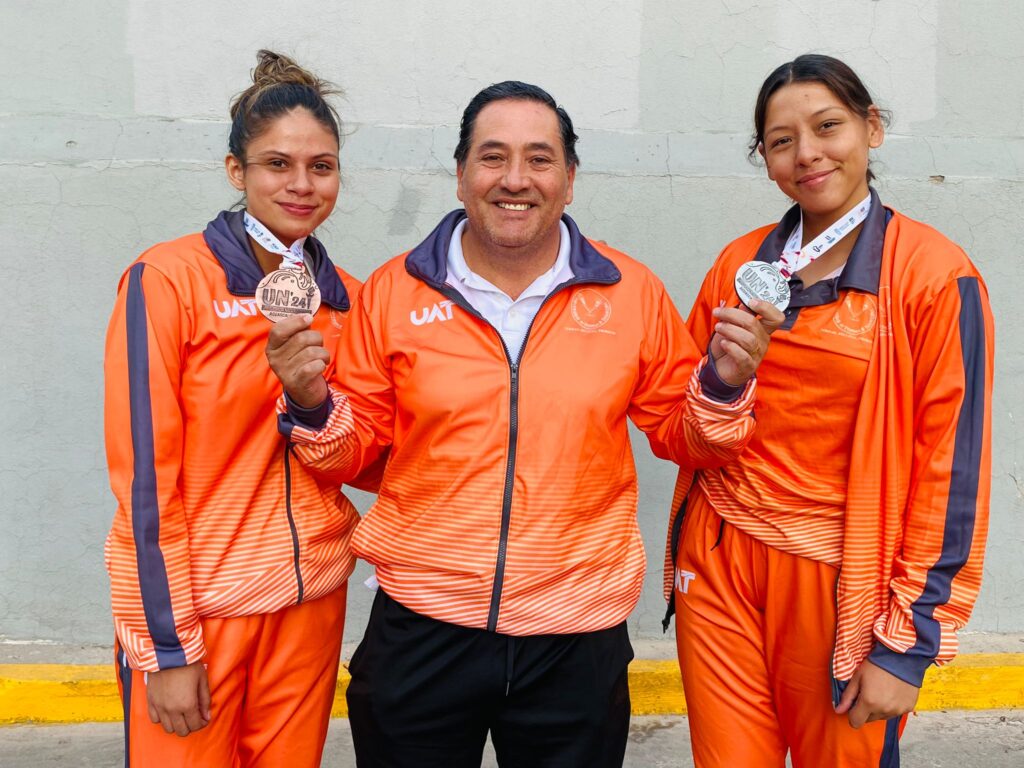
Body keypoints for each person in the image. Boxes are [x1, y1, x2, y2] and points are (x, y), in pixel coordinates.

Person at [267, 80, 783, 767]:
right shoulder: (393, 292)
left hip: (576, 640)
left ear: (570, 181)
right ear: (460, 176)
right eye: (492, 157)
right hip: (423, 627)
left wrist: (724, 383)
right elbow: (344, 456)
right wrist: (309, 401)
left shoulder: (631, 293)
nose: (515, 179)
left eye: (540, 159)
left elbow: (688, 442)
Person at [663, 54, 994, 767]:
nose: (807, 154)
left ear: (871, 129)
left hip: (842, 579)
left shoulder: (935, 277)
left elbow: (952, 473)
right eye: (781, 141)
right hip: (719, 561)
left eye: (828, 126)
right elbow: (682, 433)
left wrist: (908, 643)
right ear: (765, 159)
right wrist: (723, 385)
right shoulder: (737, 266)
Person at [104, 50, 365, 767]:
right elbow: (144, 482)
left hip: (309, 606)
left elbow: (371, 452)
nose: (302, 185)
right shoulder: (167, 280)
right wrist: (167, 645)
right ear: (235, 172)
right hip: (201, 616)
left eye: (322, 166)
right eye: (277, 164)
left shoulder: (349, 299)